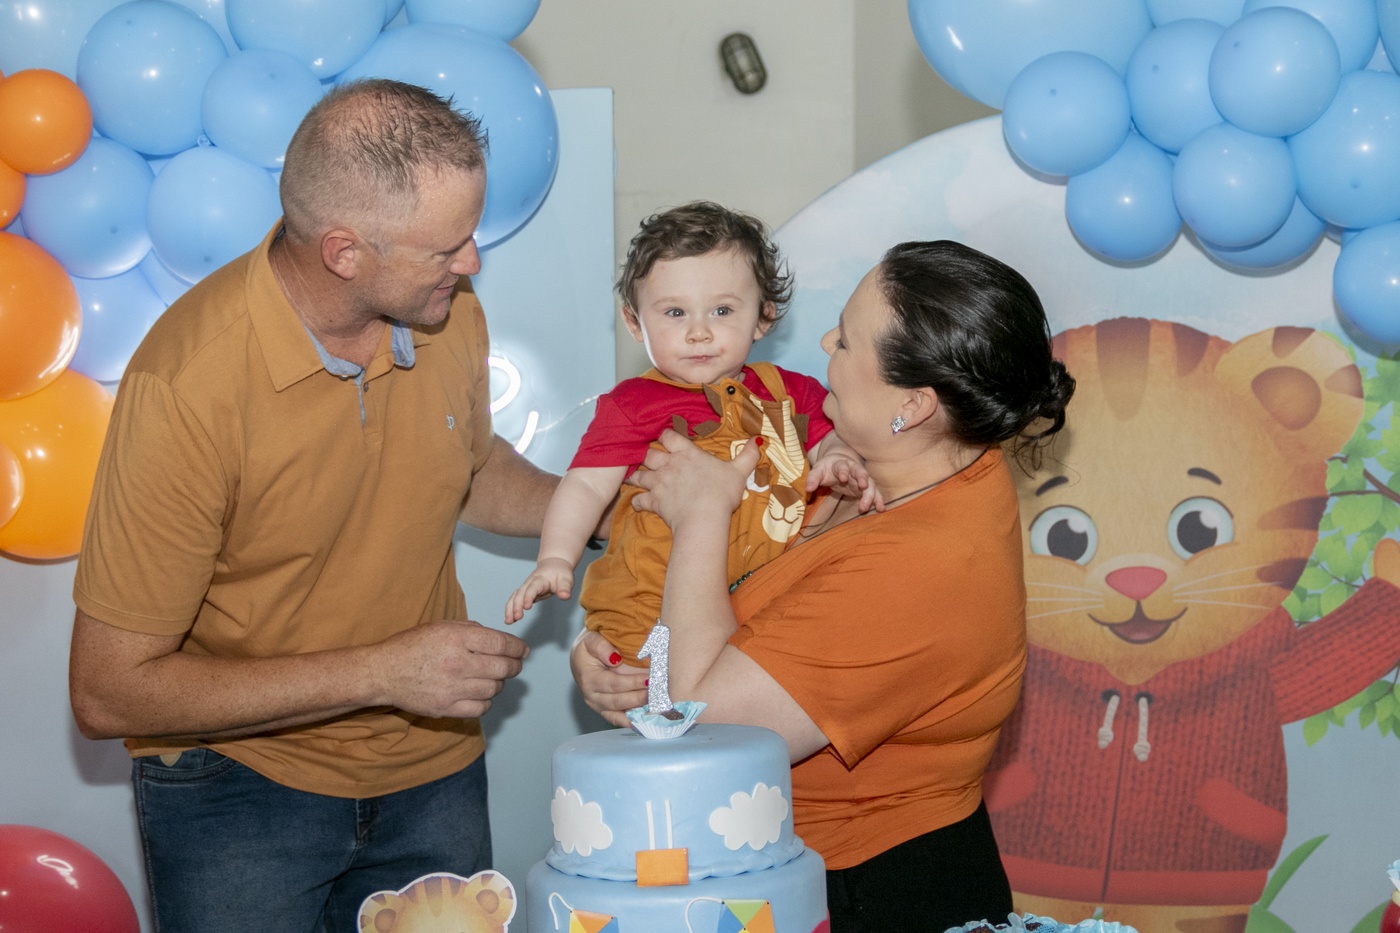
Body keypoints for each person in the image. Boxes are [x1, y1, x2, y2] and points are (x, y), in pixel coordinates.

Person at [67, 79, 558, 932]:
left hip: (432, 771)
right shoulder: (186, 384)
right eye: (447, 247)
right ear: (343, 252)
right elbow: (108, 691)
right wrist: (384, 673)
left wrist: (603, 506)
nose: (472, 263)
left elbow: (470, 465)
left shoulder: (447, 311)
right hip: (237, 792)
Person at [573, 240, 1075, 932]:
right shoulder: (912, 468)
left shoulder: (920, 564)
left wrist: (702, 515)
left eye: (847, 338)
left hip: (869, 892)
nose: (824, 344)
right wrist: (622, 654)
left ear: (913, 405)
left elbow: (699, 726)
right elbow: (730, 604)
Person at [505, 201, 875, 664]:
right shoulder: (632, 404)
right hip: (652, 605)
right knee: (655, 695)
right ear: (634, 322)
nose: (699, 332)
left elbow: (829, 438)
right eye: (675, 313)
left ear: (763, 317)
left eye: (721, 310)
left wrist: (838, 457)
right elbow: (585, 487)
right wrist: (556, 558)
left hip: (760, 598)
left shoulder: (790, 392)